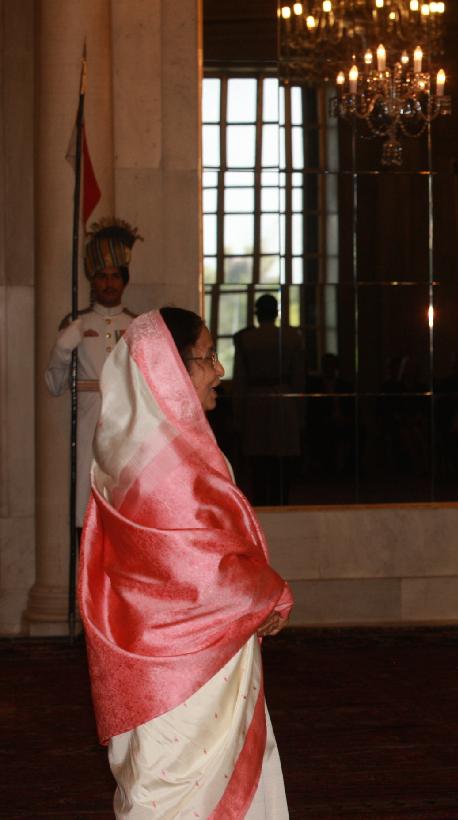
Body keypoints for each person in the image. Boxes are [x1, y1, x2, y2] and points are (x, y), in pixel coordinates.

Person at [79, 307, 294, 818]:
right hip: (185, 668)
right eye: (208, 357)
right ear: (171, 368)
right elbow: (200, 569)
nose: (219, 370)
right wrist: (271, 594)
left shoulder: (132, 449)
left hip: (150, 654)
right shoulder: (172, 463)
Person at [44, 218, 141, 525]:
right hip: (87, 425)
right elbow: (54, 385)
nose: (108, 283)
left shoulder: (137, 326)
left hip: (127, 426)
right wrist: (62, 349)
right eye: (102, 276)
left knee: (125, 507)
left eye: (115, 276)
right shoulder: (76, 323)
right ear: (93, 280)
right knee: (86, 510)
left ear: (124, 280)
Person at [231, 293, 306, 505]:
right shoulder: (292, 337)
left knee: (259, 460)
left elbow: (240, 379)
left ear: (257, 313)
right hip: (283, 398)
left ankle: (263, 501)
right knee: (280, 459)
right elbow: (299, 378)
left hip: (256, 399)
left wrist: (238, 413)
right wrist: (301, 412)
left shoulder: (246, 339)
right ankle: (280, 501)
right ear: (276, 313)